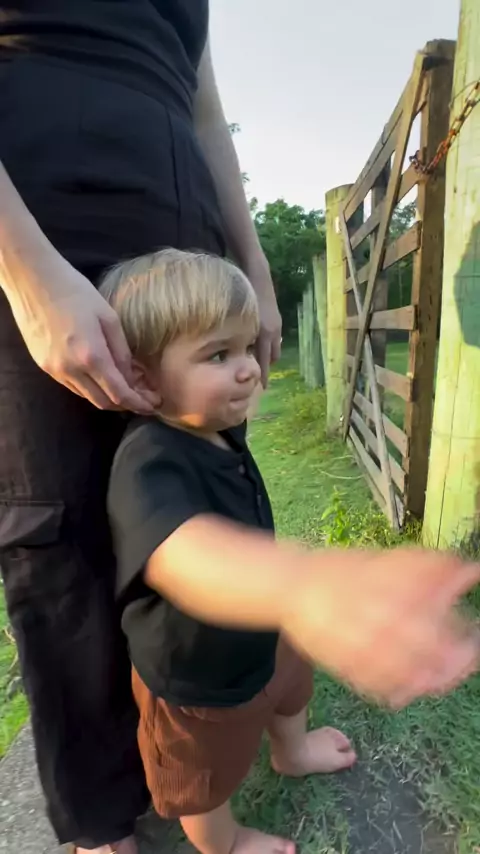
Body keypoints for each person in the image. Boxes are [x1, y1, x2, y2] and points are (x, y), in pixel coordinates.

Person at [0, 4, 281, 853]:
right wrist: (27, 272)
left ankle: (191, 742)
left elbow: (203, 105)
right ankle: (100, 818)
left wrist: (253, 265)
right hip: (38, 197)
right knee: (60, 527)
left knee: (203, 488)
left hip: (181, 215)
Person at [103, 248, 480, 854]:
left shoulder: (216, 428)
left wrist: (289, 604)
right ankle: (224, 842)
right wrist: (305, 584)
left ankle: (293, 749)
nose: (250, 369)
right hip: (196, 674)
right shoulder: (147, 459)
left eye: (247, 347)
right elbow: (181, 553)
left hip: (267, 627)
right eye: (219, 355)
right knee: (203, 777)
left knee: (289, 689)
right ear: (144, 379)